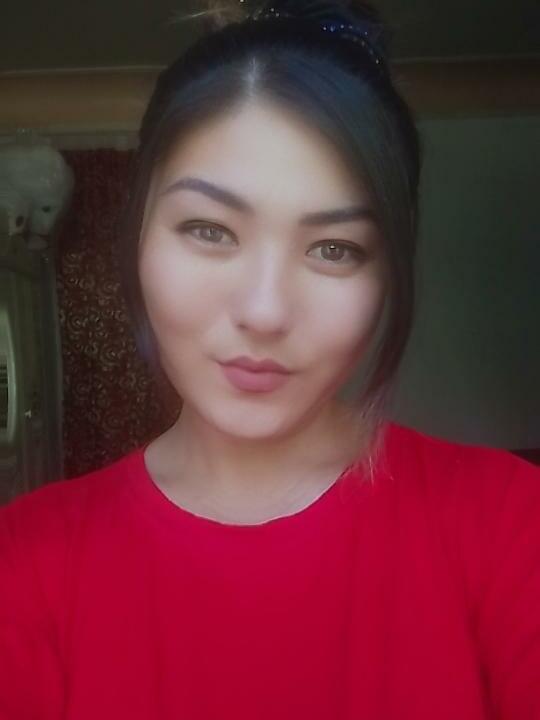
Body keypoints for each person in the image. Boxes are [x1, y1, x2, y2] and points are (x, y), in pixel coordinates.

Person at [1, 1, 539, 718]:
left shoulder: (510, 526)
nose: (264, 310)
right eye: (209, 230)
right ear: (137, 235)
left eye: (334, 249)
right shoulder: (27, 563)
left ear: (389, 272)